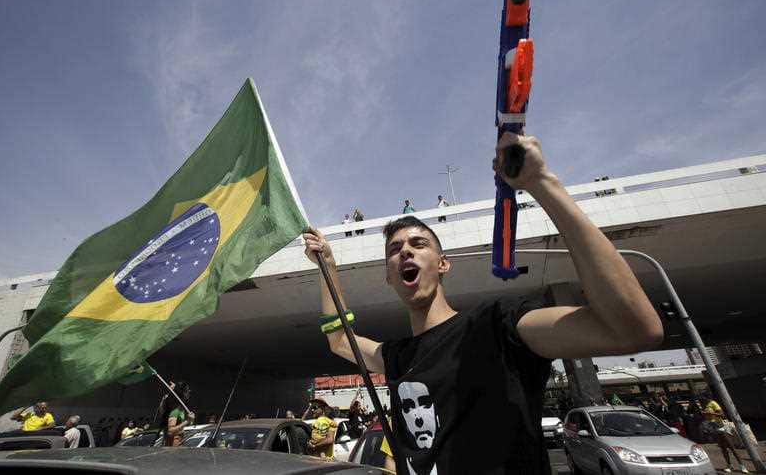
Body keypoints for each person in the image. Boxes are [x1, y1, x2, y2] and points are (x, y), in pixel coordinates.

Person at [303, 132, 663, 475]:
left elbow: (633, 329)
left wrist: (542, 183)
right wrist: (328, 268)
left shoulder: (498, 327)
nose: (405, 251)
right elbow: (339, 340)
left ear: (443, 264)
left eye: (418, 244)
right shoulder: (398, 358)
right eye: (395, 250)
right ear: (389, 275)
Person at [700, 394, 748, 473]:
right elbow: (707, 417)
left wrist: (711, 414)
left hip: (720, 427)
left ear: (706, 397)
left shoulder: (713, 403)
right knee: (723, 448)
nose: (702, 400)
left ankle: (742, 466)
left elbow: (722, 414)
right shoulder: (705, 405)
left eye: (702, 398)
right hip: (713, 428)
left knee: (731, 446)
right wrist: (704, 414)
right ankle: (729, 465)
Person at [160, 381, 195, 447]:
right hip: (174, 446)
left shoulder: (180, 408)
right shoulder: (175, 410)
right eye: (186, 390)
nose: (189, 392)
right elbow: (170, 431)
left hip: (179, 443)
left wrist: (190, 420)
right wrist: (187, 421)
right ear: (181, 393)